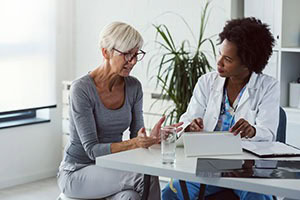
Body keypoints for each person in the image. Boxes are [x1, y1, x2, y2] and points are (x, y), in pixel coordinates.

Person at [57, 21, 182, 200]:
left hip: (111, 169)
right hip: (77, 172)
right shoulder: (81, 89)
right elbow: (92, 150)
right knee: (144, 177)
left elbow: (135, 137)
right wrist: (136, 143)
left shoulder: (133, 87)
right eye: (126, 55)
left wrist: (151, 139)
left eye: (136, 55)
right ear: (105, 52)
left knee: (130, 197)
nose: (132, 62)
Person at [162, 17, 278, 200]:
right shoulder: (207, 82)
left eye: (228, 59)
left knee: (257, 198)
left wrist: (253, 130)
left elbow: (269, 132)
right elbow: (185, 120)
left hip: (246, 168)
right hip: (208, 165)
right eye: (219, 54)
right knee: (171, 192)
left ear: (247, 63)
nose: (219, 63)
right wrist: (190, 126)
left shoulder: (268, 87)